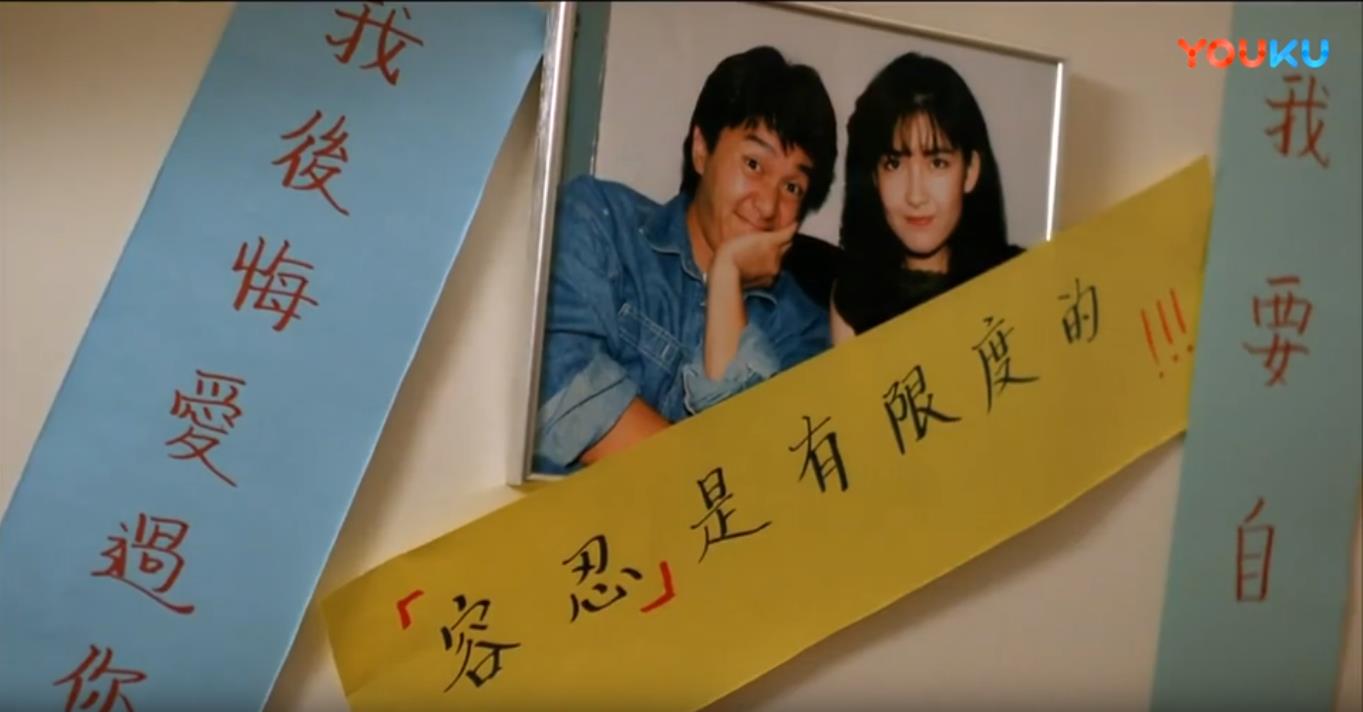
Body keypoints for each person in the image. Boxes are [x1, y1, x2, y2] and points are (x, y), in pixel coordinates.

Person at [534, 46, 839, 475]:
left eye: (792, 187)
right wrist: (701, 474)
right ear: (701, 149)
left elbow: (767, 473)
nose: (768, 205)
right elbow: (555, 386)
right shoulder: (599, 221)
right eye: (754, 164)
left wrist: (727, 280)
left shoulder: (803, 334)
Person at [831, 52, 1022, 344]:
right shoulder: (854, 297)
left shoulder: (1018, 278)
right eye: (894, 164)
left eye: (937, 163)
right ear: (874, 177)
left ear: (970, 171)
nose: (916, 195)